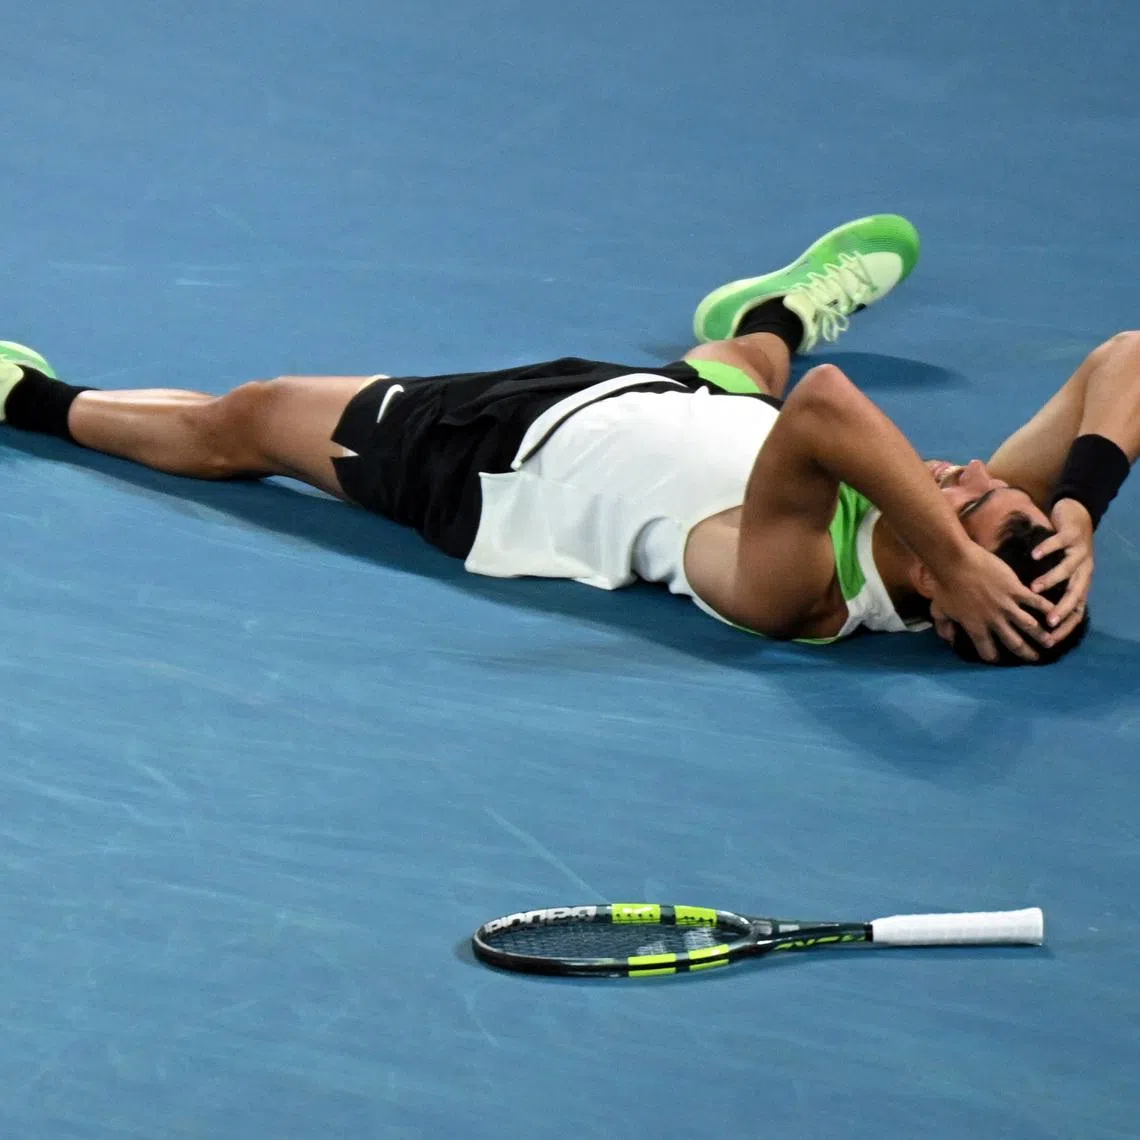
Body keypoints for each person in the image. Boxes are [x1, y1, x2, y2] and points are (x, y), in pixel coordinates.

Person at [0, 215, 1132, 664]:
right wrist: (1077, 506)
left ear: (938, 579)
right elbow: (1125, 356)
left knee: (247, 417)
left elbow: (831, 412)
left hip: (495, 457)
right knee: (748, 364)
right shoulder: (938, 530)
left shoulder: (799, 589)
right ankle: (777, 313)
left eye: (974, 504)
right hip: (671, 405)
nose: (969, 470)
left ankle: (28, 399)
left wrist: (963, 546)